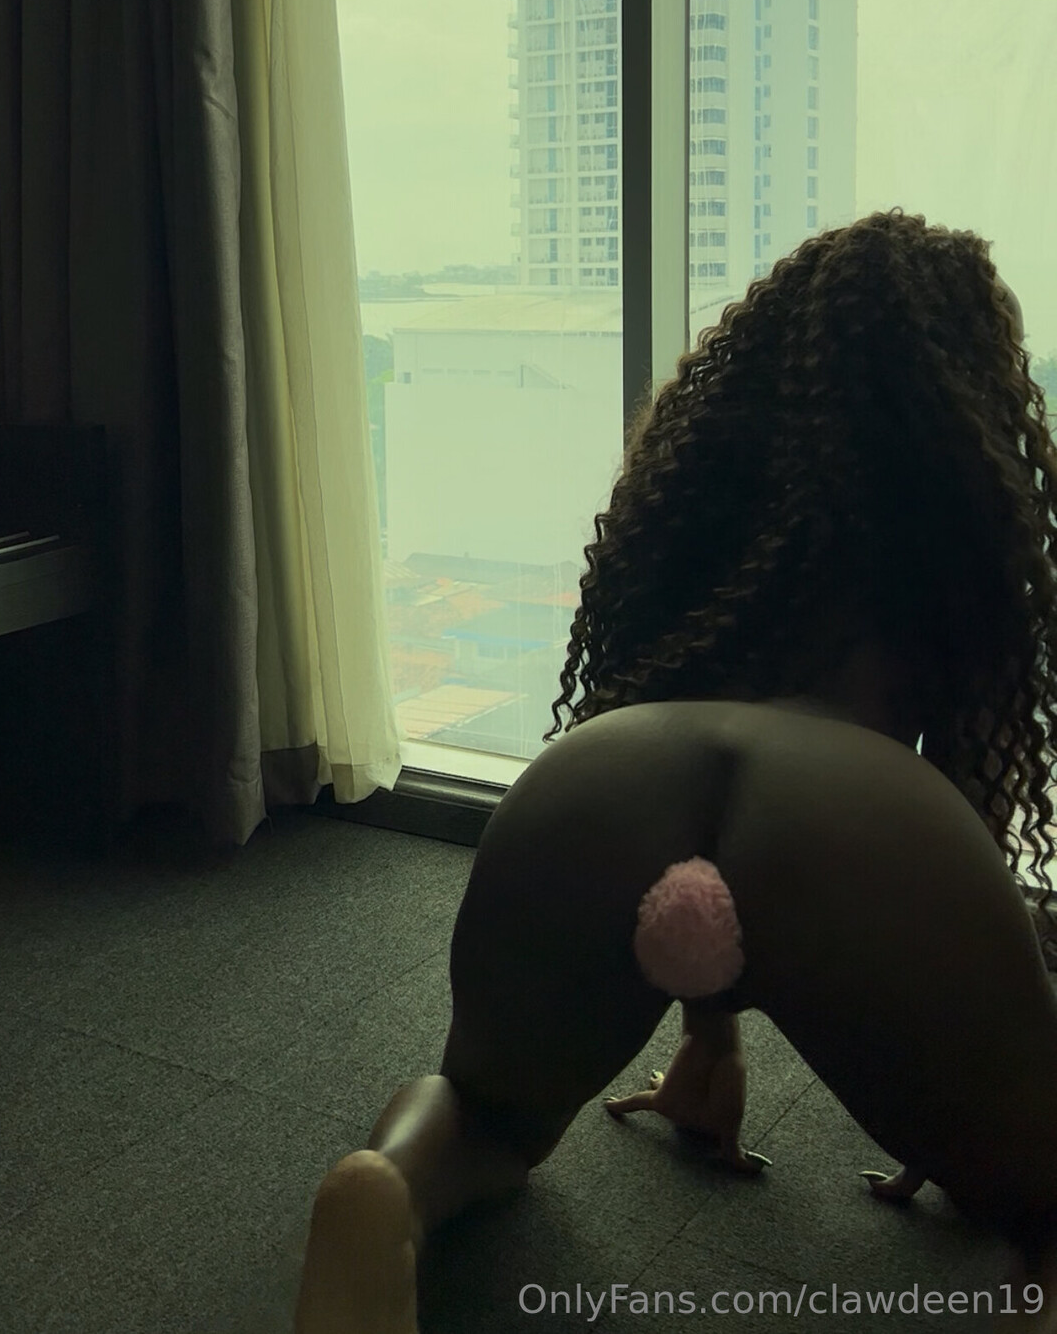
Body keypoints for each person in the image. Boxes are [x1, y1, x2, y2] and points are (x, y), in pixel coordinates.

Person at [293, 208, 1057, 1334]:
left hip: (607, 777)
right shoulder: (957, 518)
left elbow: (704, 851)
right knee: (1045, 1195)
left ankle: (385, 1191)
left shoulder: (713, 503)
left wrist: (708, 1034)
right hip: (857, 815)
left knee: (482, 1113)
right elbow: (928, 832)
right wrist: (963, 1060)